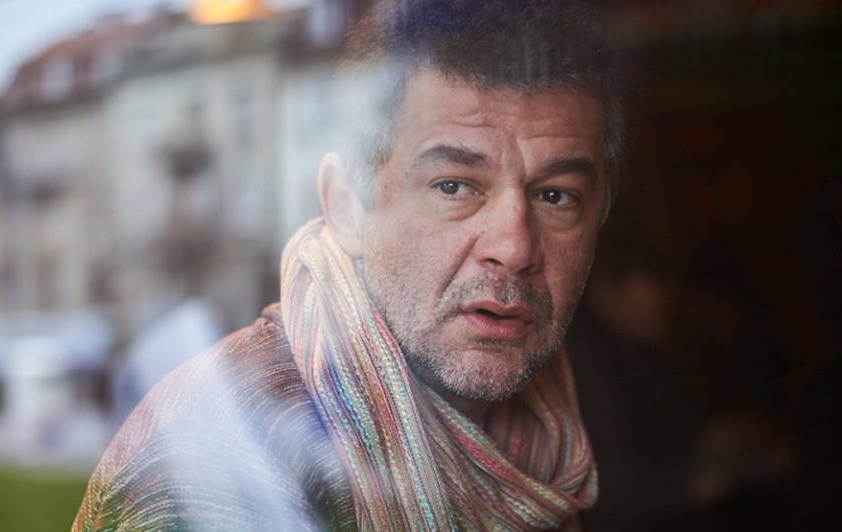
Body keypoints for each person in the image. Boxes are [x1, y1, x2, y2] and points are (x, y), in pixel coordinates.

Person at [73, 1, 623, 530]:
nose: (515, 247)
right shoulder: (214, 451)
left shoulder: (562, 435)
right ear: (345, 206)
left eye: (556, 196)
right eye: (454, 187)